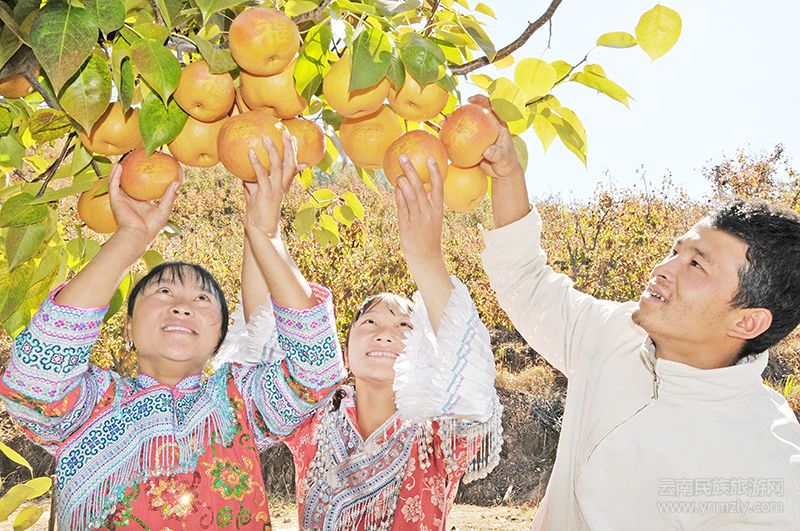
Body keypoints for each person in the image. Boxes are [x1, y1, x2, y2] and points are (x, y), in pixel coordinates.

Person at [470, 93, 800, 529]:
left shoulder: (768, 469)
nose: (662, 269)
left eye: (696, 265)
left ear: (747, 321)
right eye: (675, 251)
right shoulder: (613, 332)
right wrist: (508, 174)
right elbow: (526, 281)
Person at [0, 130, 346, 530]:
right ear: (129, 327)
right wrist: (128, 240)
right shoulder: (92, 406)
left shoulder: (239, 403)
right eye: (163, 291)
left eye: (202, 299)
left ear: (218, 338)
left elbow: (316, 373)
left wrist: (267, 236)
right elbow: (33, 384)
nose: (182, 305)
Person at [218, 154, 503, 530]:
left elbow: (468, 377)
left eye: (404, 325)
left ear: (423, 355)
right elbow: (264, 328)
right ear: (345, 355)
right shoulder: (317, 418)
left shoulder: (437, 432)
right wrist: (258, 223)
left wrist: (425, 257)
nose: (385, 332)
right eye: (369, 322)